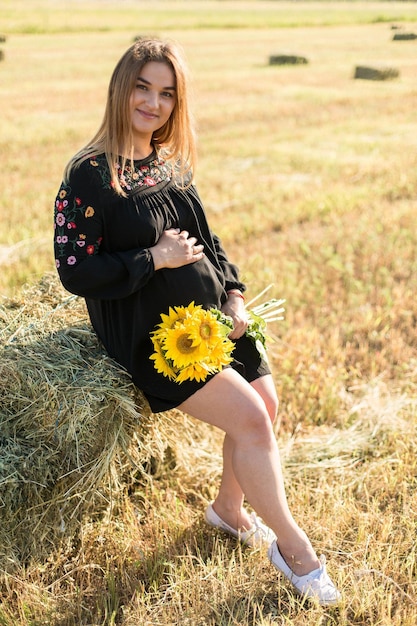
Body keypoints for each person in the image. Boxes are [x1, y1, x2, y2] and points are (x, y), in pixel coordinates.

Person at [53, 38, 340, 605]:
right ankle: (294, 548)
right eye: (143, 87)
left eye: (166, 93)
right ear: (121, 88)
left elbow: (209, 242)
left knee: (267, 407)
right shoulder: (89, 176)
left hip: (215, 319)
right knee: (254, 422)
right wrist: (152, 259)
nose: (152, 103)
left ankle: (228, 513)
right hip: (159, 338)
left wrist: (233, 295)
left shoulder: (168, 163)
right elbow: (75, 270)